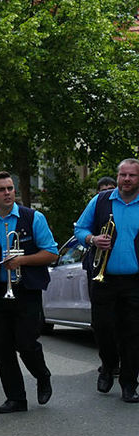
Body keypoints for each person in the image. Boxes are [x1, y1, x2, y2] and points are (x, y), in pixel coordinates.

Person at [0, 171, 58, 414]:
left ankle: (42, 375)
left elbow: (51, 252)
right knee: (2, 347)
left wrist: (22, 260)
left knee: (26, 342)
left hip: (26, 291)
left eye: (10, 188)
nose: (7, 193)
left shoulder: (33, 217)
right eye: (1, 189)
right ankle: (16, 398)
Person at [74, 158, 139, 401]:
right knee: (103, 329)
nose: (127, 180)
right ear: (118, 176)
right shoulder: (101, 200)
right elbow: (79, 229)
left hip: (134, 281)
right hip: (104, 279)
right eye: (123, 175)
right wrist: (92, 239)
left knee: (132, 333)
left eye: (132, 175)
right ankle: (108, 366)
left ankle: (129, 384)